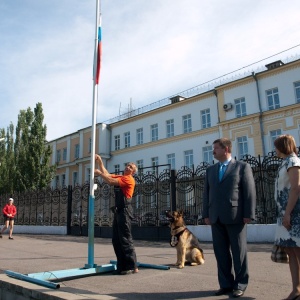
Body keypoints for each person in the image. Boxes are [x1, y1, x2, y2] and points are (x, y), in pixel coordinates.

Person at [202, 138, 256, 298]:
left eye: (216, 148)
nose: (213, 151)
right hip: (215, 217)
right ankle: (225, 284)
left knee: (239, 252)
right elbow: (206, 194)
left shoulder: (242, 167)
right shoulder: (210, 170)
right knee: (221, 253)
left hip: (236, 216)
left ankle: (240, 284)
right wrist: (206, 214)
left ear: (226, 149)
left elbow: (249, 192)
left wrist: (248, 214)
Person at [94, 154, 138, 275]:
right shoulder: (122, 177)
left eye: (131, 167)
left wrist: (99, 173)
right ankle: (122, 265)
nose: (128, 167)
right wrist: (100, 162)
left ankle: (132, 265)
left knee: (125, 239)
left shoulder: (128, 179)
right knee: (116, 240)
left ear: (133, 172)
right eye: (128, 165)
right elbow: (108, 175)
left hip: (125, 211)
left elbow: (110, 181)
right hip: (119, 211)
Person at [274, 134, 300, 300]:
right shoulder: (284, 162)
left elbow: (296, 188)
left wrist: (288, 213)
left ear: (283, 146)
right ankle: (296, 289)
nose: (275, 149)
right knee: (291, 251)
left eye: (276, 146)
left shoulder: (293, 162)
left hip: (294, 214)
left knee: (298, 251)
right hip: (285, 214)